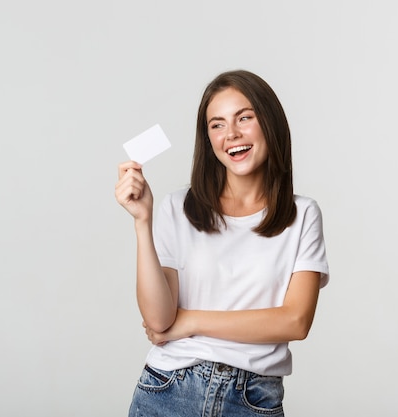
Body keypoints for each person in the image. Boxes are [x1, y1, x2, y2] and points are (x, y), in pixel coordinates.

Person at [115, 69, 329, 417]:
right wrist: (143, 221)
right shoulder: (175, 207)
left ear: (270, 122)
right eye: (217, 124)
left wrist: (189, 321)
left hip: (252, 398)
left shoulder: (303, 214)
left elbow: (295, 321)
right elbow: (159, 320)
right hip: (169, 390)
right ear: (208, 138)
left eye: (244, 117)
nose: (231, 134)